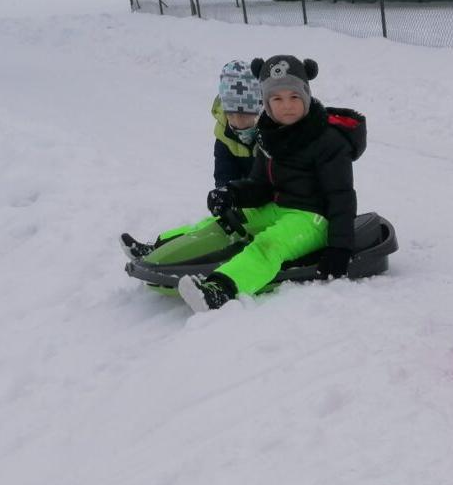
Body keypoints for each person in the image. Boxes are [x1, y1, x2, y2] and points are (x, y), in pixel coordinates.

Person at [122, 55, 365, 313]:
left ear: (306, 96)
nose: (287, 106)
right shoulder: (269, 136)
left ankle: (220, 290)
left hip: (313, 217)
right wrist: (232, 194)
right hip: (277, 207)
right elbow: (260, 185)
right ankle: (163, 248)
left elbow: (341, 197)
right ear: (267, 103)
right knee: (227, 222)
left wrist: (340, 247)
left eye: (294, 97)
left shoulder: (327, 141)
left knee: (269, 244)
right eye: (277, 99)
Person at [213, 59, 263, 187]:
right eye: (230, 114)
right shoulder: (224, 136)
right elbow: (224, 176)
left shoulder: (272, 131)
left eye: (244, 114)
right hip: (243, 198)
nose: (238, 122)